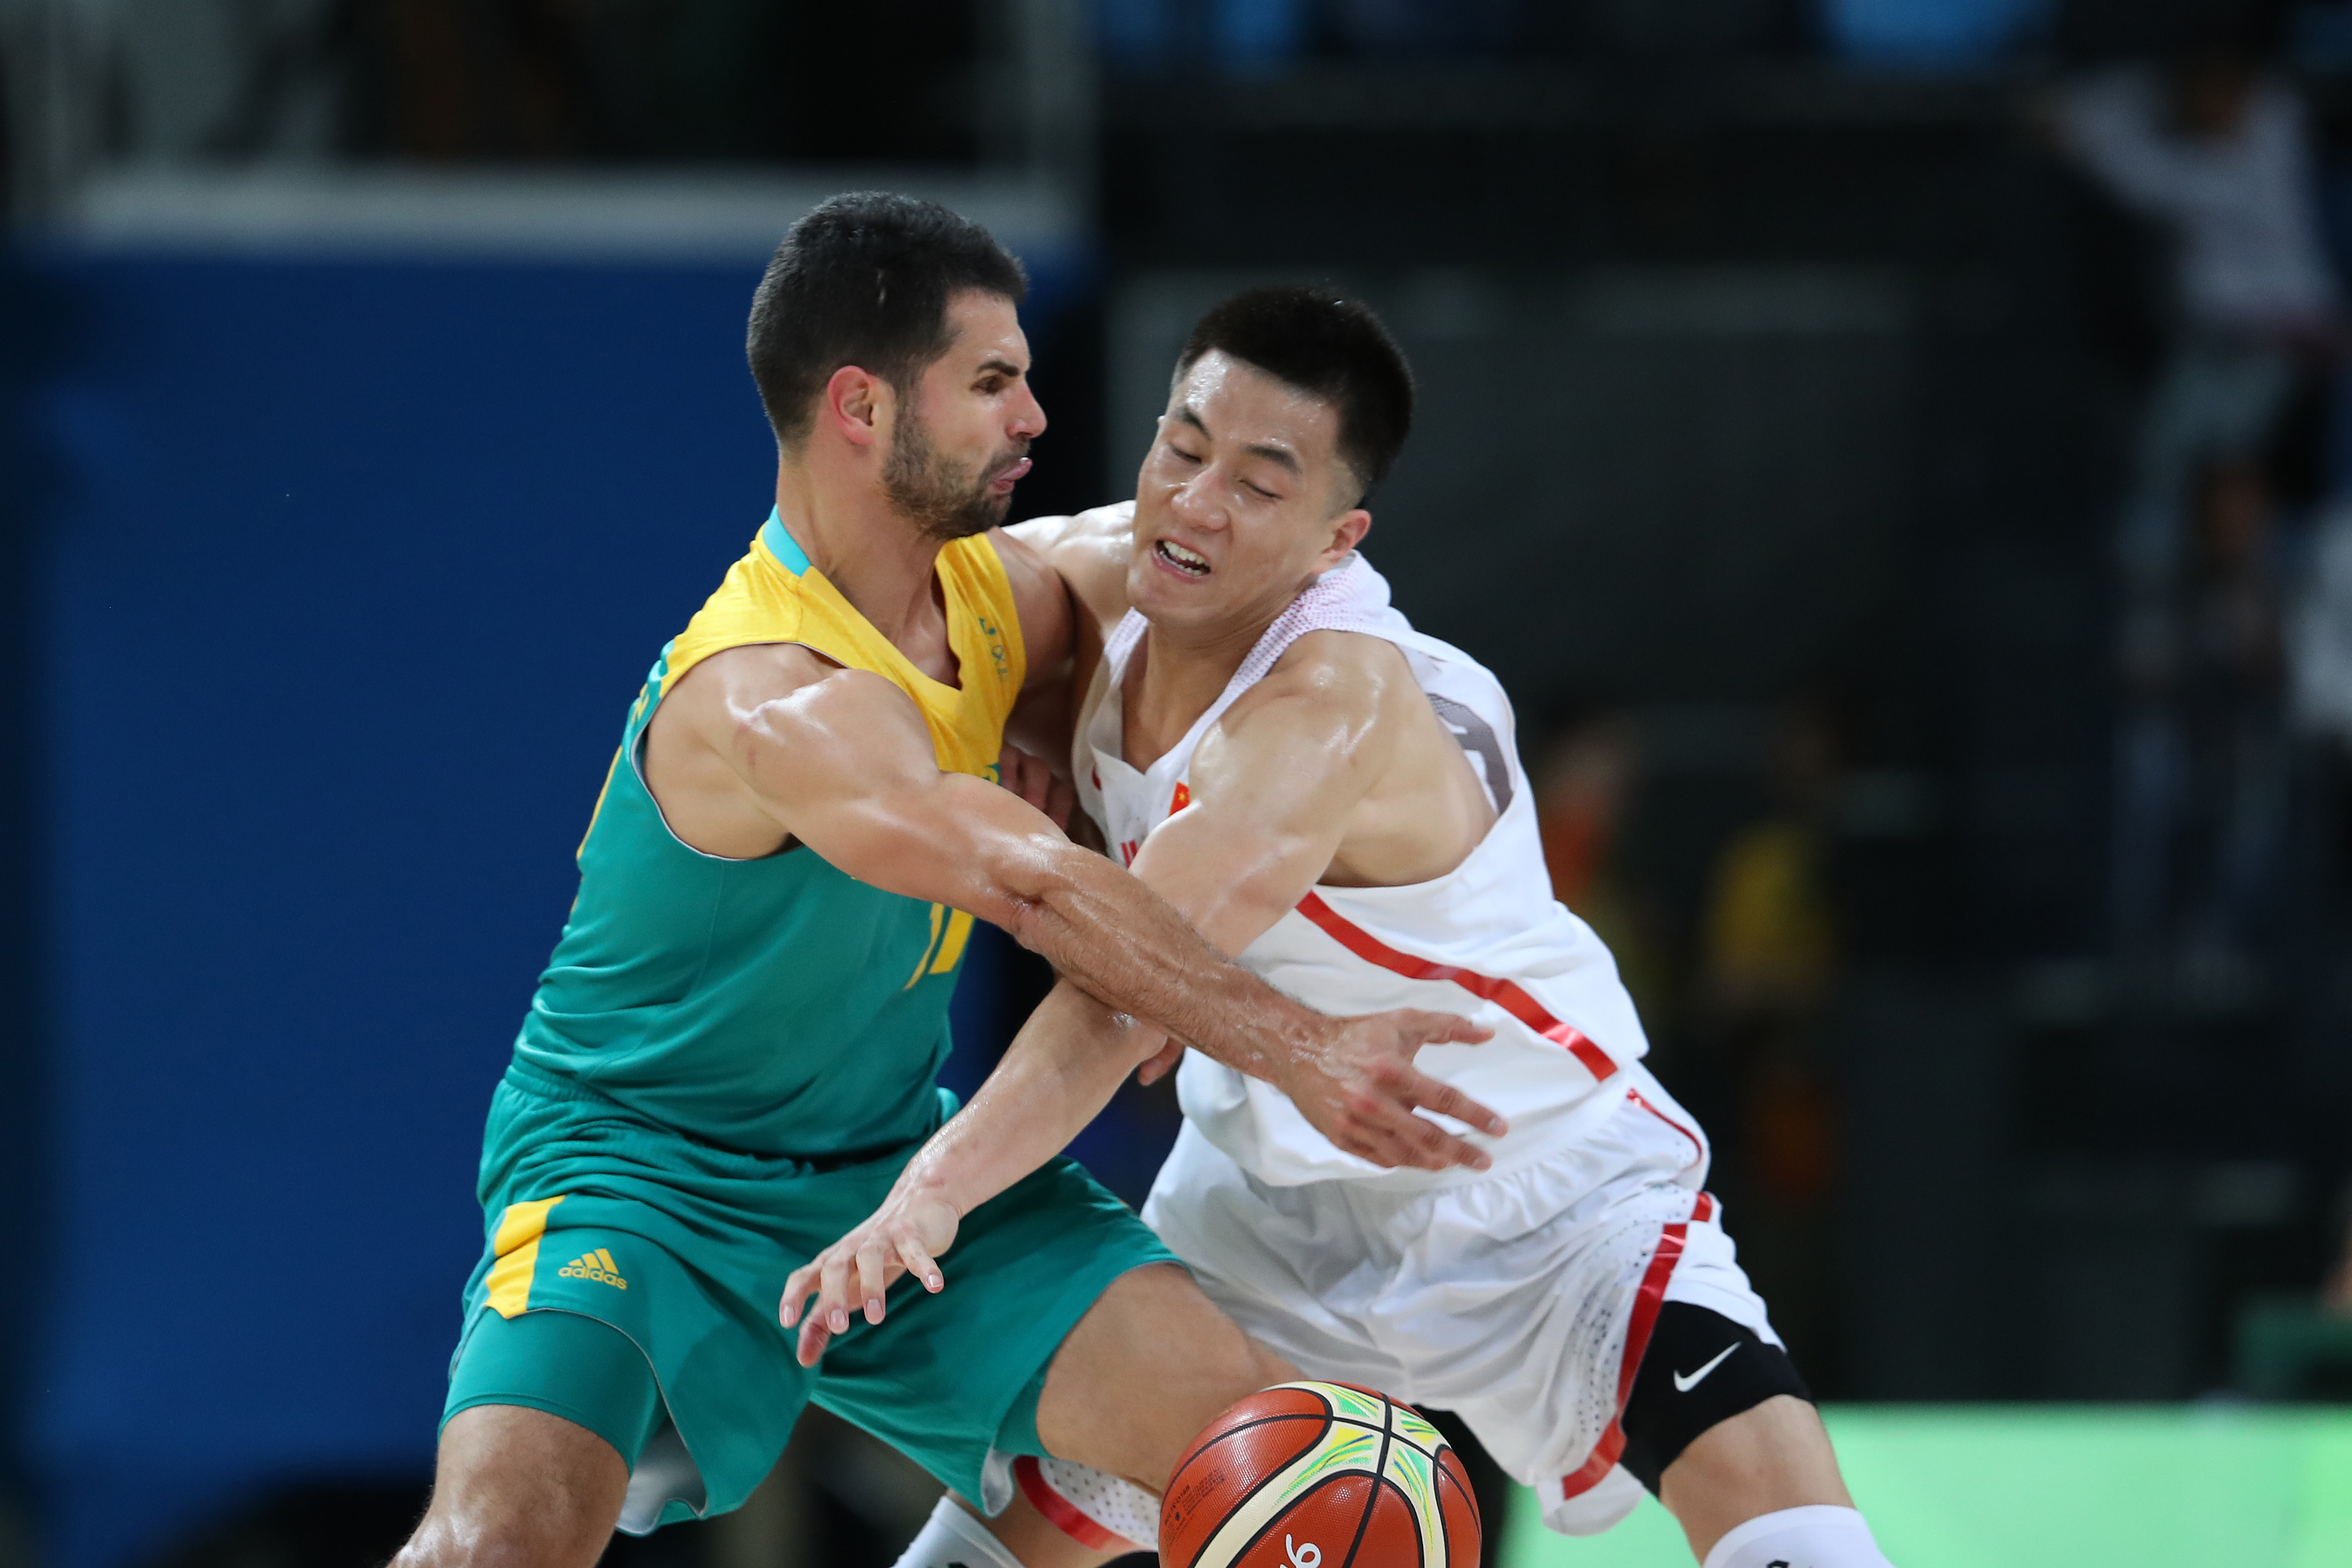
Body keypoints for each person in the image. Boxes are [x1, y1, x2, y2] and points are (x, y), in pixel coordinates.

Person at [392, 202, 1504, 1568]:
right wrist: (1302, 1045)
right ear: (862, 408)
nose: (1035, 414)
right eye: (991, 383)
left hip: (884, 1156)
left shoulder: (998, 598)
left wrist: (1077, 750)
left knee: (1293, 1488)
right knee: (498, 1544)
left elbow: (1266, 569)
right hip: (640, 1169)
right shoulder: (774, 697)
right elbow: (1034, 892)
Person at [786, 287, 1897, 1568]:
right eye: (1183, 448)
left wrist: (924, 1200)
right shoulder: (1091, 577)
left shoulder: (1330, 706)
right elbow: (876, 624)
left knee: (1807, 1550)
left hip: (1535, 1184)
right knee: (981, 1553)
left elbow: (1120, 996)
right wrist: (1000, 735)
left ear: (1337, 536)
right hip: (1266, 1199)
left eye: (1261, 484)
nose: (1197, 503)